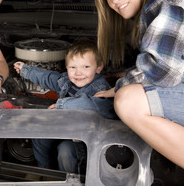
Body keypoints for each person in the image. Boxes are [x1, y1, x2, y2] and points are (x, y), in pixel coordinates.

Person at [93, 0, 184, 177]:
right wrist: (125, 76)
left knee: (129, 101)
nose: (114, 0)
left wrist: (120, 86)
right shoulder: (154, 10)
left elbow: (164, 71)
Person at [13, 39, 116, 174]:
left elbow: (91, 103)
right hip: (65, 128)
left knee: (65, 151)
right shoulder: (67, 81)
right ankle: (45, 173)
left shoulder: (101, 88)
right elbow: (48, 77)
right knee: (39, 137)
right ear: (66, 67)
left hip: (84, 140)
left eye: (86, 67)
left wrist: (62, 105)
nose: (78, 73)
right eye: (73, 67)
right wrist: (26, 70)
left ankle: (69, 179)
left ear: (98, 67)